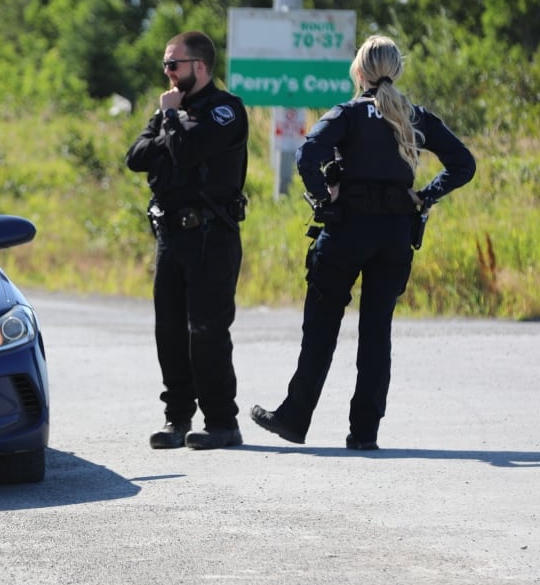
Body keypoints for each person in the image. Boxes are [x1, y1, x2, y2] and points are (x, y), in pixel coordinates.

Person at [250, 34, 476, 450]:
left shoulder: (348, 114)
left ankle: (295, 418)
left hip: (348, 230)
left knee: (321, 327)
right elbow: (464, 164)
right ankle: (364, 432)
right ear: (397, 69)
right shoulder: (415, 117)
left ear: (359, 71)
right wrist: (425, 196)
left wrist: (323, 199)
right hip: (394, 236)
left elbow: (307, 153)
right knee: (377, 333)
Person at [125, 31, 250, 450]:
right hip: (171, 237)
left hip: (211, 237)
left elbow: (188, 152)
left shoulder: (225, 110)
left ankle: (221, 423)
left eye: (173, 64)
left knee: (207, 331)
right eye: (165, 64)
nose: (167, 72)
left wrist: (171, 122)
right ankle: (177, 418)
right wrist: (170, 124)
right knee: (170, 331)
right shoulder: (170, 109)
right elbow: (136, 157)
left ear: (199, 66)